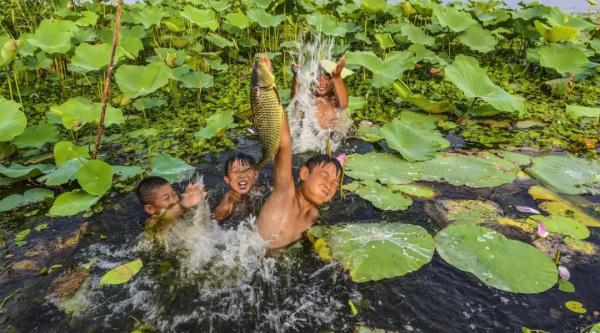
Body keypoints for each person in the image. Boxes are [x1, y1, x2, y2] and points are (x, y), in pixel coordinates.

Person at [256, 55, 343, 250]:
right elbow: (285, 144)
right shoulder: (285, 193)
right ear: (304, 173)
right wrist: (268, 82)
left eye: (335, 184)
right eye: (324, 176)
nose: (329, 185)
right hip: (247, 262)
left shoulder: (313, 216)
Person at [136, 176, 205, 241]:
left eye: (174, 194)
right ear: (150, 209)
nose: (174, 201)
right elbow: (164, 220)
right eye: (166, 198)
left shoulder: (180, 210)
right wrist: (182, 205)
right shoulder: (151, 224)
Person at [291, 57, 349, 130]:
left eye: (327, 79)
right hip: (310, 138)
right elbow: (296, 99)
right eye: (318, 78)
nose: (321, 83)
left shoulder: (334, 100)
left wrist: (337, 77)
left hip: (330, 139)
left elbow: (343, 105)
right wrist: (297, 75)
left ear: (333, 82)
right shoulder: (310, 98)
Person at [214, 152, 264, 228]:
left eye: (247, 170)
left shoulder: (262, 192)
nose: (242, 175)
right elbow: (216, 217)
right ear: (227, 179)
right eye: (236, 171)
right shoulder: (229, 200)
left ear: (255, 175)